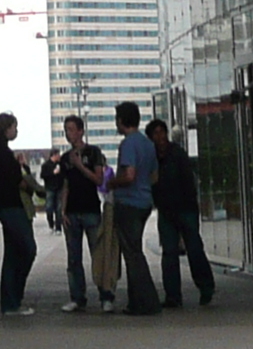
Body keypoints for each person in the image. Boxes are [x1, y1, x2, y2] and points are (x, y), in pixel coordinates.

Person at [149, 115, 215, 309]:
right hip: (166, 211)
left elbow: (188, 181)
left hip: (185, 208)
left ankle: (206, 287)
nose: (160, 137)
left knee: (194, 248)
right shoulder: (153, 159)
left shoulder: (177, 154)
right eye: (155, 134)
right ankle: (173, 296)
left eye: (162, 132)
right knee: (169, 253)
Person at [44, 113, 106, 314]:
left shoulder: (93, 152)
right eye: (66, 130)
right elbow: (65, 185)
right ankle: (77, 297)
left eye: (71, 129)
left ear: (80, 130)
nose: (69, 133)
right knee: (73, 257)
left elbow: (98, 179)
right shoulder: (64, 158)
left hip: (91, 209)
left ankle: (106, 294)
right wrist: (62, 210)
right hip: (72, 211)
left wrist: (80, 166)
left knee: (99, 253)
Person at [109, 100, 163, 315]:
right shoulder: (148, 144)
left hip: (128, 203)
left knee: (132, 254)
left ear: (121, 120)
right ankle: (136, 302)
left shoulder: (128, 144)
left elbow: (129, 175)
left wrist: (112, 182)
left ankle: (147, 301)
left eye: (116, 119)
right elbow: (154, 176)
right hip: (144, 202)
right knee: (134, 251)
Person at [0, 112, 40, 316]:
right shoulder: (3, 152)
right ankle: (14, 296)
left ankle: (10, 301)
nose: (16, 131)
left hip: (3, 204)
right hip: (13, 205)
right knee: (27, 249)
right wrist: (23, 167)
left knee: (11, 253)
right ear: (6, 128)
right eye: (14, 127)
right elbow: (21, 181)